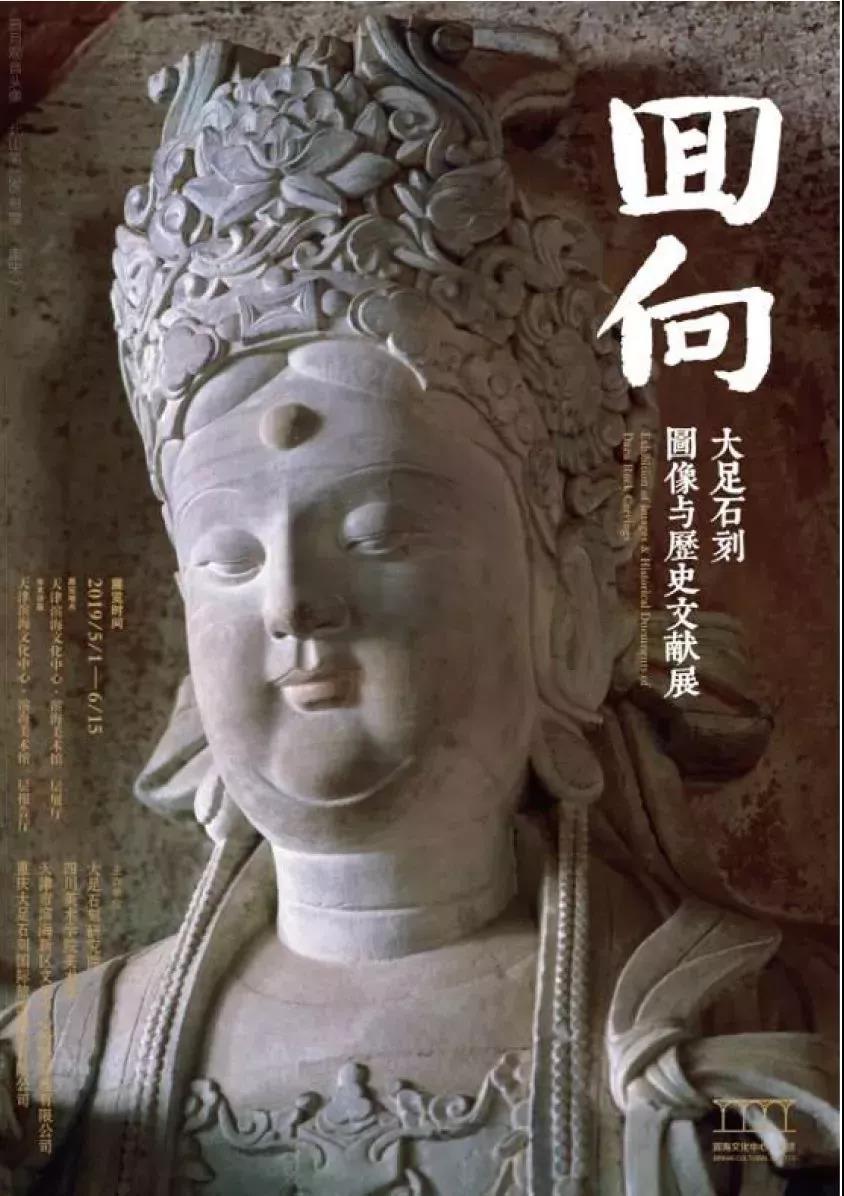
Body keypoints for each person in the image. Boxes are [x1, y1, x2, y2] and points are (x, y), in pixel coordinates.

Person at [1, 16, 837, 1196]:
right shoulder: (57, 1069)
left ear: (565, 612)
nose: (294, 603)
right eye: (230, 557)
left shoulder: (760, 1030)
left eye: (378, 534)